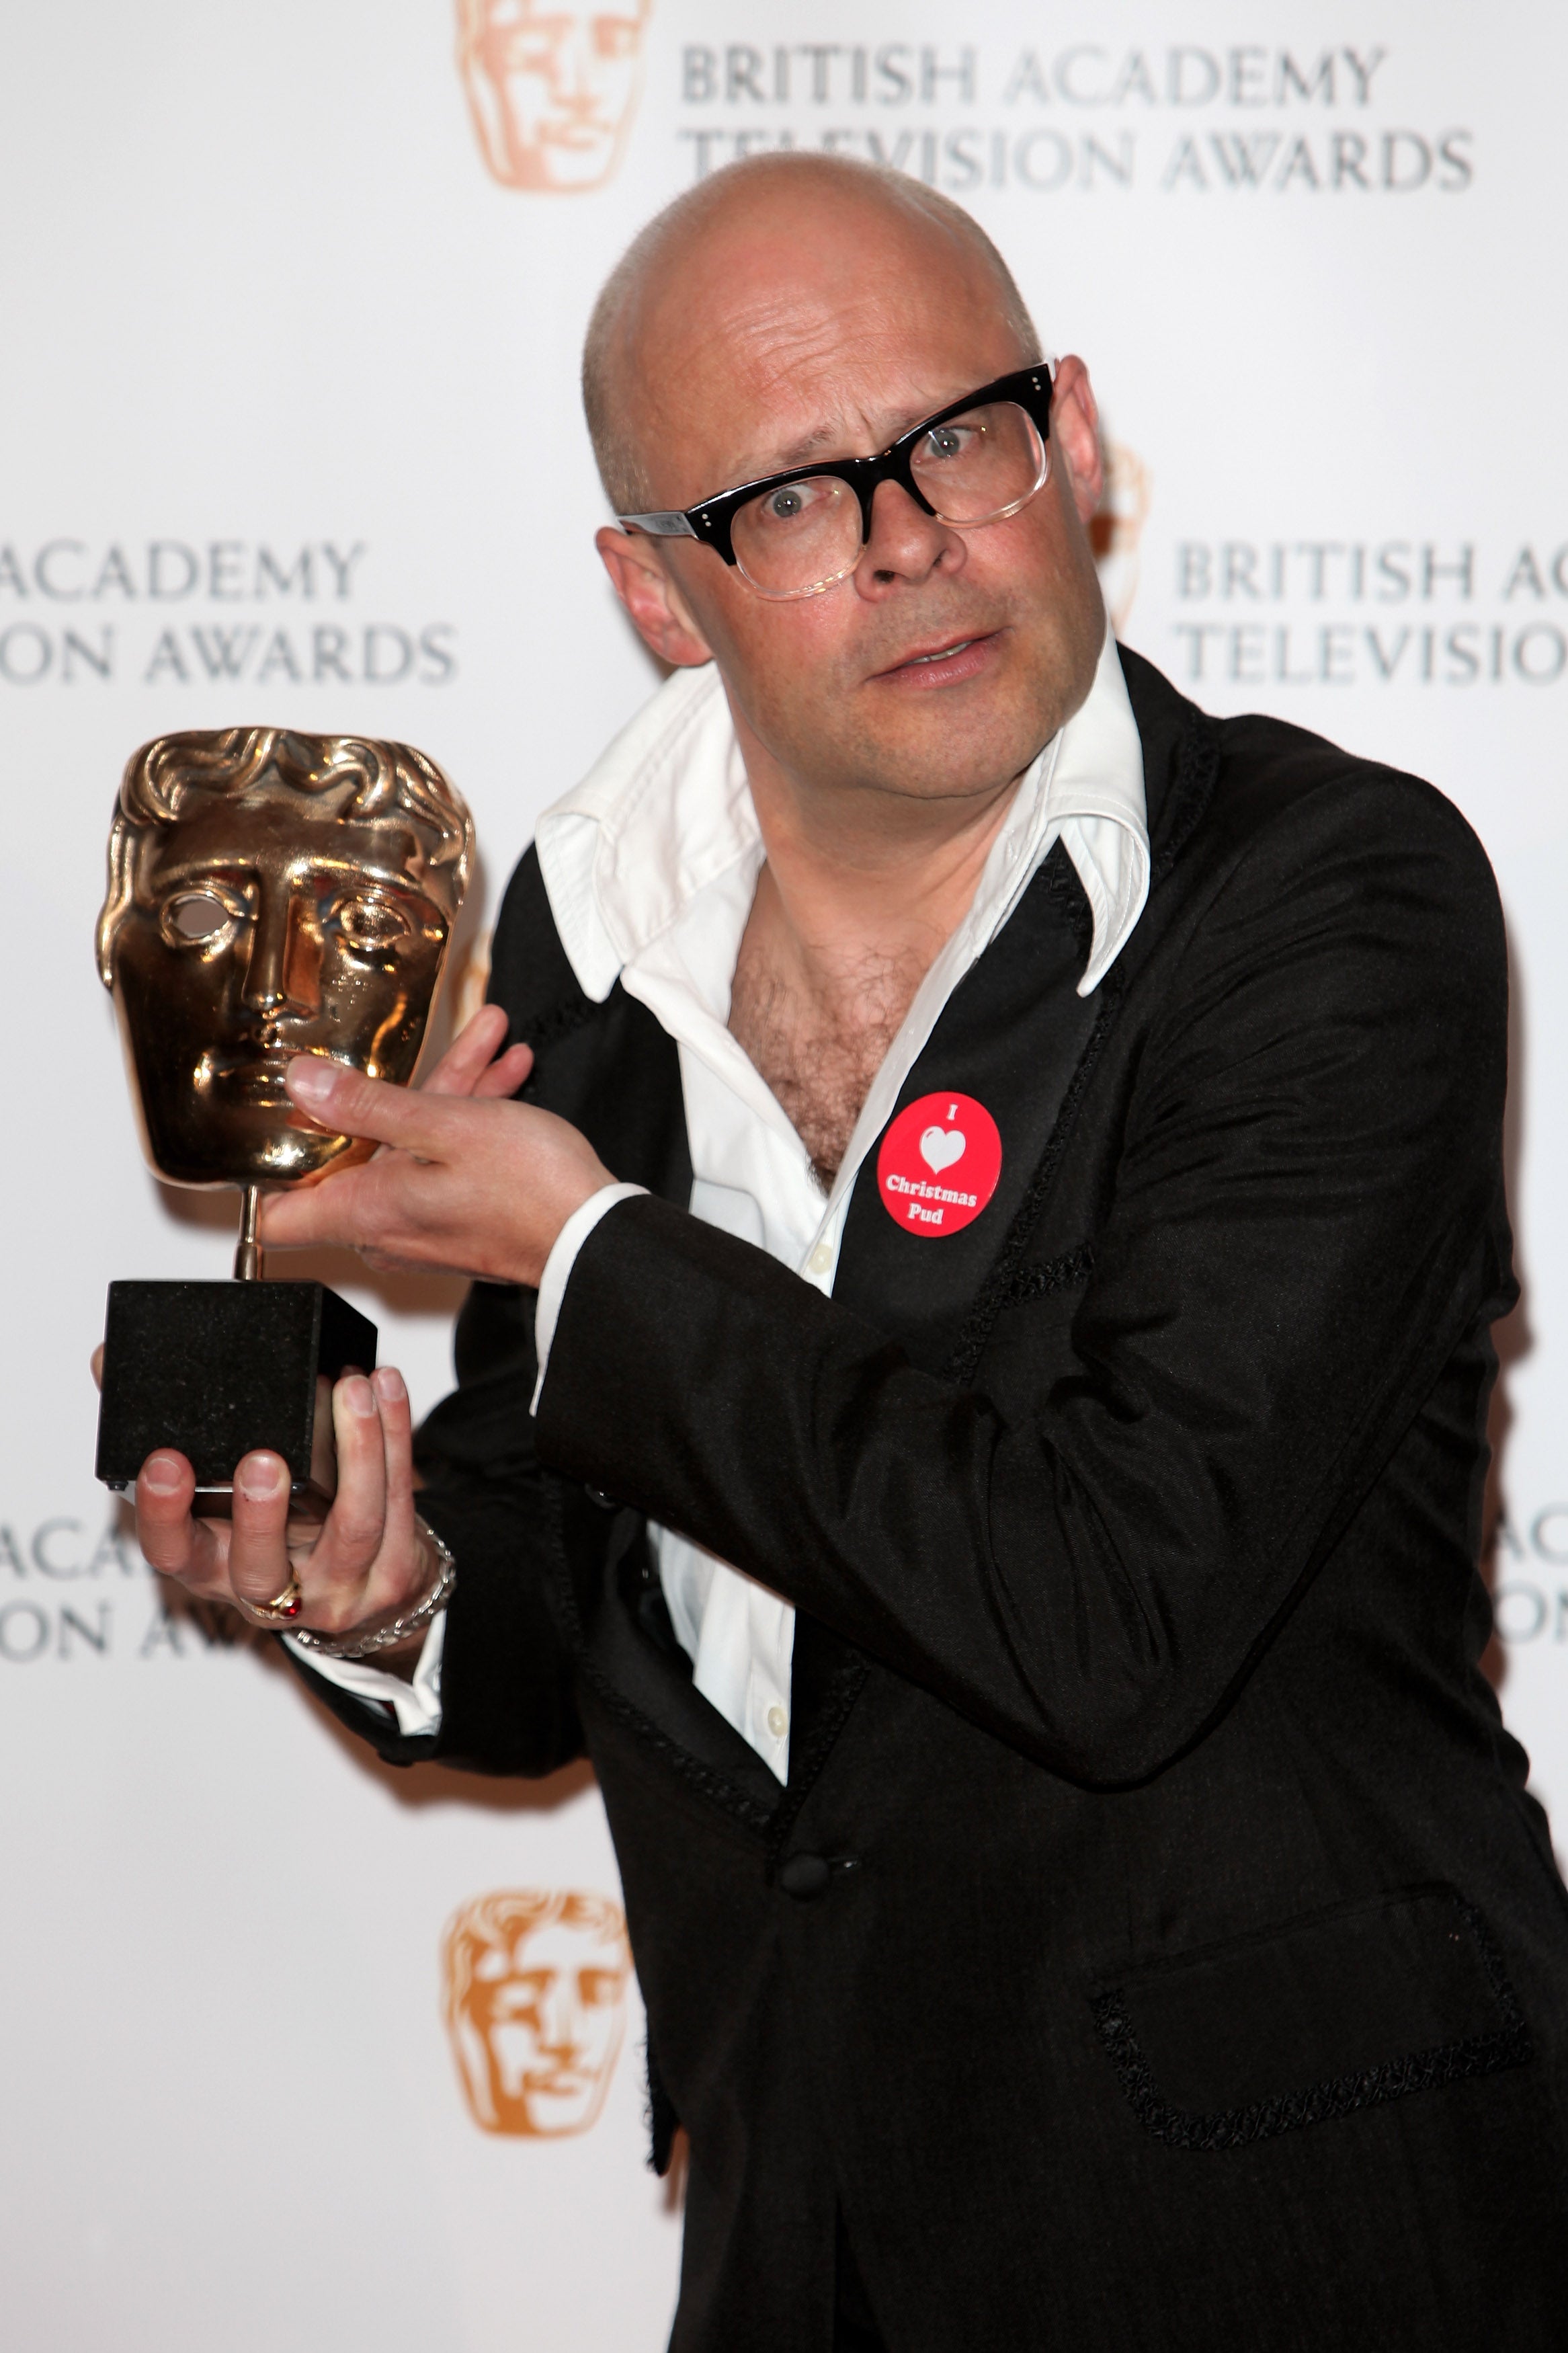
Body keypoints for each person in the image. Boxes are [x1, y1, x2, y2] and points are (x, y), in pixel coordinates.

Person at [128, 155, 1568, 2350]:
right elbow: (601, 1569)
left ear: (1072, 433)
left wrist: (587, 1247)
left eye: (957, 438)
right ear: (655, 586)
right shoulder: (590, 958)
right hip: (800, 2240)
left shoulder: (1328, 901)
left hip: (1303, 2241)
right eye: (793, 497)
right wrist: (395, 1583)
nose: (910, 541)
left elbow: (1108, 1605)